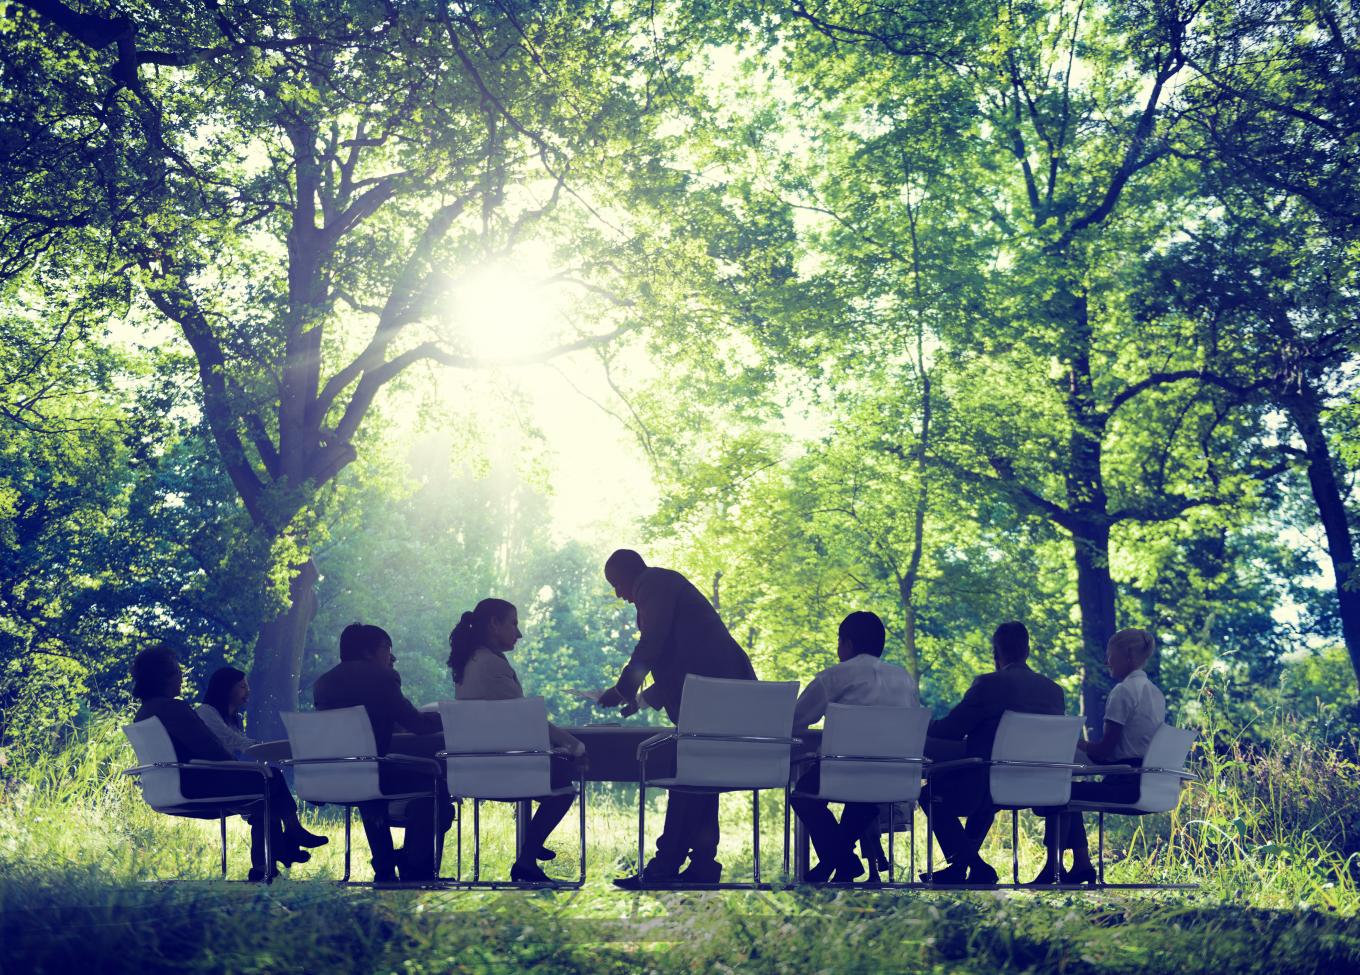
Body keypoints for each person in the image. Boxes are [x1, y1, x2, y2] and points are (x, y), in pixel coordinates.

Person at [595, 548, 757, 888]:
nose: (618, 595)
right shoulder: (666, 584)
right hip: (720, 692)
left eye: (616, 584)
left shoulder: (652, 584)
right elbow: (683, 654)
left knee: (688, 776)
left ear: (627, 575)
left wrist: (622, 688)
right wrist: (641, 699)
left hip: (712, 696)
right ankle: (700, 864)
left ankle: (665, 865)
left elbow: (653, 643)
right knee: (701, 778)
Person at [130, 646, 319, 881]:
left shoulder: (144, 712)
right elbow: (211, 750)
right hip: (196, 785)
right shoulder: (174, 708)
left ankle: (264, 868)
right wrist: (239, 768)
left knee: (263, 799)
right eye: (177, 672)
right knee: (270, 777)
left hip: (169, 788)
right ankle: (289, 835)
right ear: (164, 677)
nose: (181, 677)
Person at [448, 598, 587, 884]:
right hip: (504, 769)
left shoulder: (468, 663)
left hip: (472, 770)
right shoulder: (491, 665)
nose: (519, 633)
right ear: (494, 624)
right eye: (513, 623)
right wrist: (572, 744)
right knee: (564, 786)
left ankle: (531, 850)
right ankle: (527, 857)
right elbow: (526, 718)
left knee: (558, 774)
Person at [922, 621, 1065, 885]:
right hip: (1039, 786)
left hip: (988, 783)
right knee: (986, 792)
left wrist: (921, 724)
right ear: (1027, 650)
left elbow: (952, 730)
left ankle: (974, 864)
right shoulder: (1054, 691)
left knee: (930, 792)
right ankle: (963, 868)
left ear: (995, 653)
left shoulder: (988, 685)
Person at [313, 623, 453, 883]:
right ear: (370, 652)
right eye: (387, 649)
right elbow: (418, 725)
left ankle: (386, 864)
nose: (391, 657)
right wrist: (449, 717)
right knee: (435, 785)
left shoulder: (323, 683)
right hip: (371, 772)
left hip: (332, 774)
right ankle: (416, 867)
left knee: (370, 781)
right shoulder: (382, 677)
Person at [788, 611, 920, 884]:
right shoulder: (905, 680)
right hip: (894, 776)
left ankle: (841, 862)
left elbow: (796, 719)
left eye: (839, 642)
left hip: (844, 770)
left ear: (847, 643)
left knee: (802, 796)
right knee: (863, 804)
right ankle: (838, 864)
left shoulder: (836, 676)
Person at [1030, 628, 1166, 885]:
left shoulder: (1123, 693)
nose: (1107, 662)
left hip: (1124, 784)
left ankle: (1053, 868)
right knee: (1069, 791)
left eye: (1110, 655)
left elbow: (1105, 751)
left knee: (1056, 793)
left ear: (1126, 655)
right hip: (1147, 781)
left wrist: (1074, 742)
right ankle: (1081, 865)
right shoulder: (1155, 694)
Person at [198, 665, 327, 851]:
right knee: (271, 776)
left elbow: (237, 744)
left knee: (268, 799)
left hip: (227, 775)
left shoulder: (234, 718)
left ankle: (270, 861)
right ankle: (292, 831)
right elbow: (231, 740)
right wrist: (260, 747)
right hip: (212, 779)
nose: (247, 691)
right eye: (242, 686)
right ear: (225, 688)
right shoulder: (206, 712)